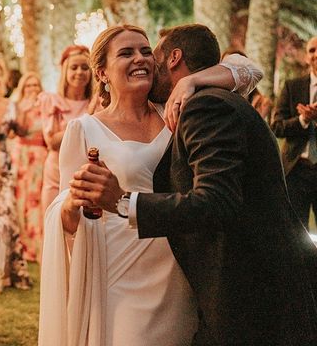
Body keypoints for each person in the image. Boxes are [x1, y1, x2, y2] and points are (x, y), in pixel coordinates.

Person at [74, 24, 317, 345]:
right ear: (102, 72)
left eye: (150, 53)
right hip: (154, 267)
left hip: (246, 289)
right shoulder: (186, 105)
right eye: (128, 53)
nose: (145, 62)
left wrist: (121, 201)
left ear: (174, 59)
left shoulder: (202, 106)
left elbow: (216, 201)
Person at [38, 45, 93, 239]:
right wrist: (87, 121)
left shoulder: (97, 102)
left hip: (85, 173)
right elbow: (52, 141)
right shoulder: (52, 101)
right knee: (56, 233)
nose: (80, 72)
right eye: (74, 67)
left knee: (84, 234)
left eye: (85, 68)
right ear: (65, 71)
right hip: (56, 173)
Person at [0, 57, 32, 290]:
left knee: (6, 219)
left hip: (4, 164)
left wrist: (27, 108)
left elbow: (22, 131)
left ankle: (7, 272)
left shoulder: (10, 105)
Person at [271, 36, 317, 228]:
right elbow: (277, 127)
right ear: (306, 57)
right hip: (296, 171)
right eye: (312, 50)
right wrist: (303, 120)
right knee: (297, 233)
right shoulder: (292, 87)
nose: (316, 55)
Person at [11, 72, 47, 262]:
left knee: (38, 198)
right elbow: (19, 131)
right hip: (23, 155)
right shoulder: (18, 107)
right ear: (23, 88)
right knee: (23, 198)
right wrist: (24, 109)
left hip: (40, 155)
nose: (33, 89)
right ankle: (24, 243)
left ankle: (38, 243)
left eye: (36, 85)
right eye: (29, 86)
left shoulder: (46, 106)